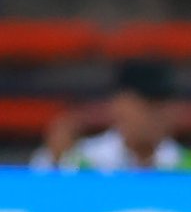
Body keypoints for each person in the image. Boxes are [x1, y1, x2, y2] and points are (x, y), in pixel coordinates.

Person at [34, 60, 188, 171]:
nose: (157, 116)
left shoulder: (185, 166)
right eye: (148, 105)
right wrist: (56, 160)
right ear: (119, 106)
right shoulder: (84, 160)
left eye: (163, 106)